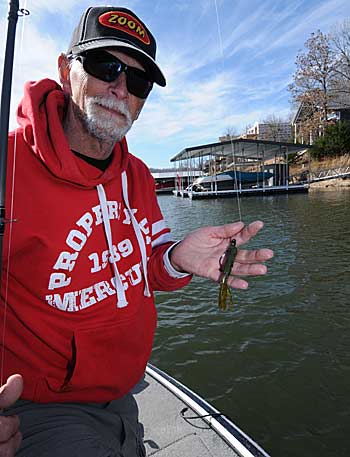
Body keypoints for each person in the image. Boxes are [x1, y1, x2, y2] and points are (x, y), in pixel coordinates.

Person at [0, 5, 273, 456]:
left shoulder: (139, 176)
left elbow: (148, 264)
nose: (120, 88)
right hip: (39, 407)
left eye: (138, 80)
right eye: (106, 66)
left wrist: (176, 257)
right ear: (66, 70)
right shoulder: (7, 168)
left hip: (125, 396)